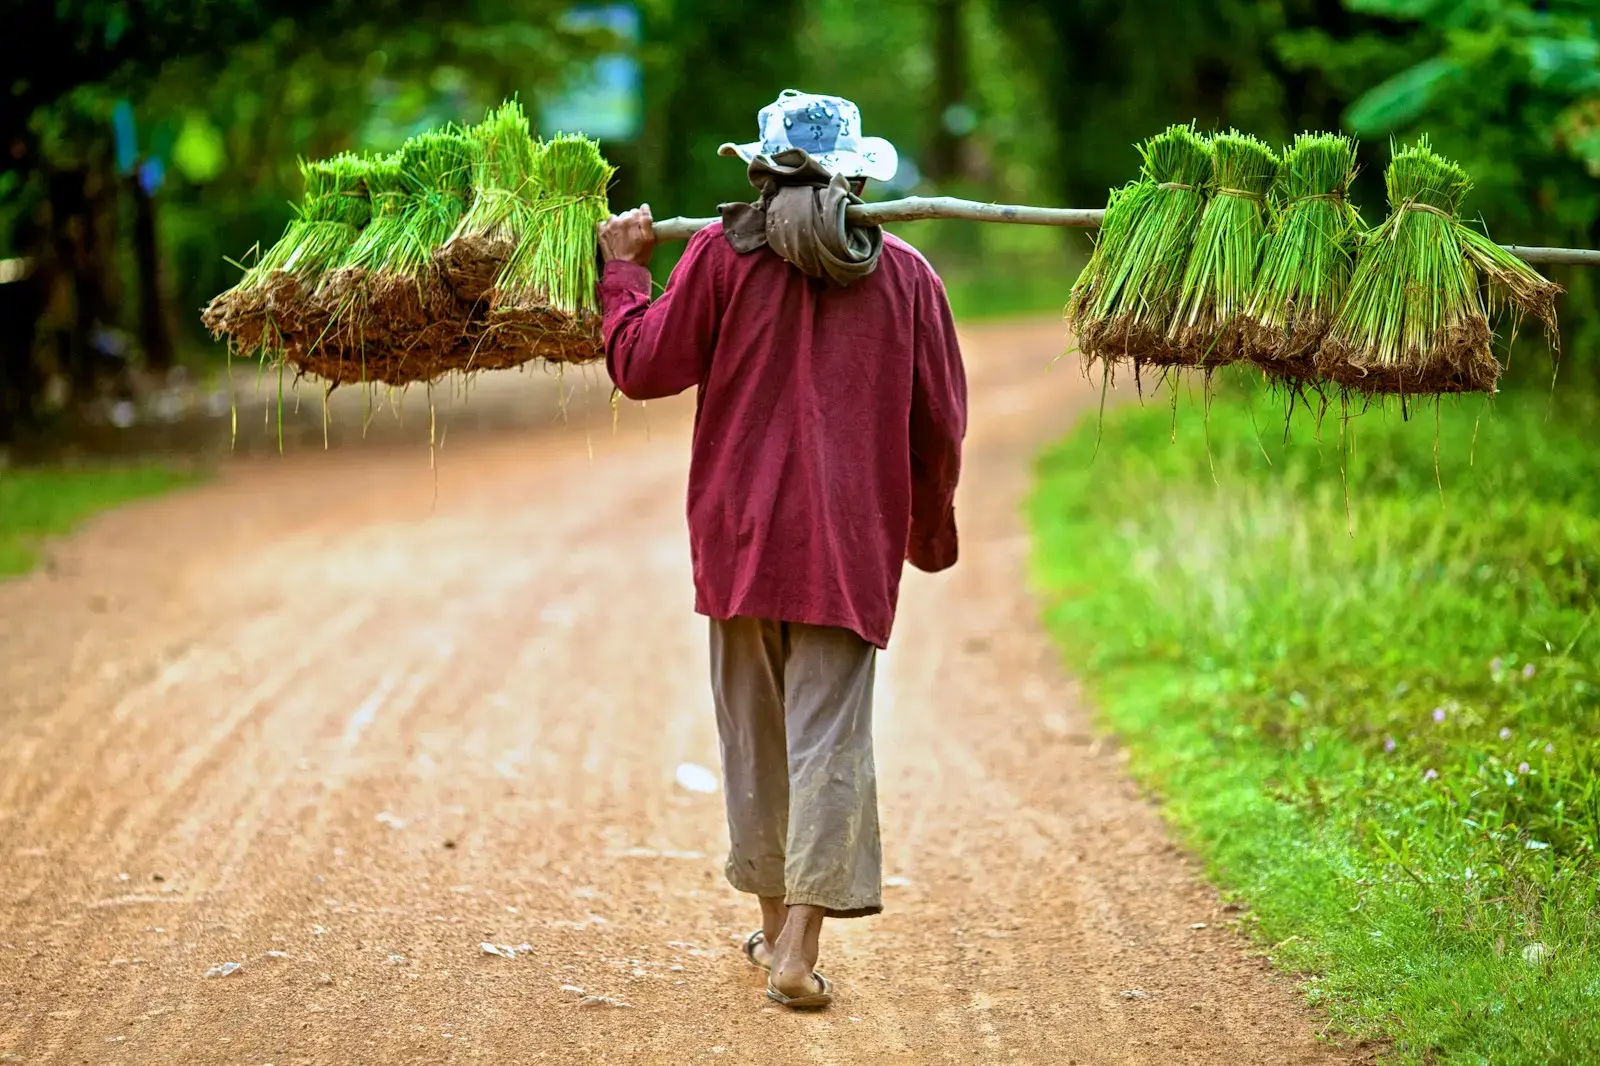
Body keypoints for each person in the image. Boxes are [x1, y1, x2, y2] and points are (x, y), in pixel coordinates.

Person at [595, 89, 967, 1010]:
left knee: (754, 736)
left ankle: (773, 928)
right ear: (854, 175)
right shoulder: (910, 276)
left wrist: (624, 275)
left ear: (760, 171)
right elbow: (942, 426)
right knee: (828, 741)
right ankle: (793, 946)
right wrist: (923, 527)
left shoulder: (721, 255)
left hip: (738, 536)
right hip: (848, 545)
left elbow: (643, 366)